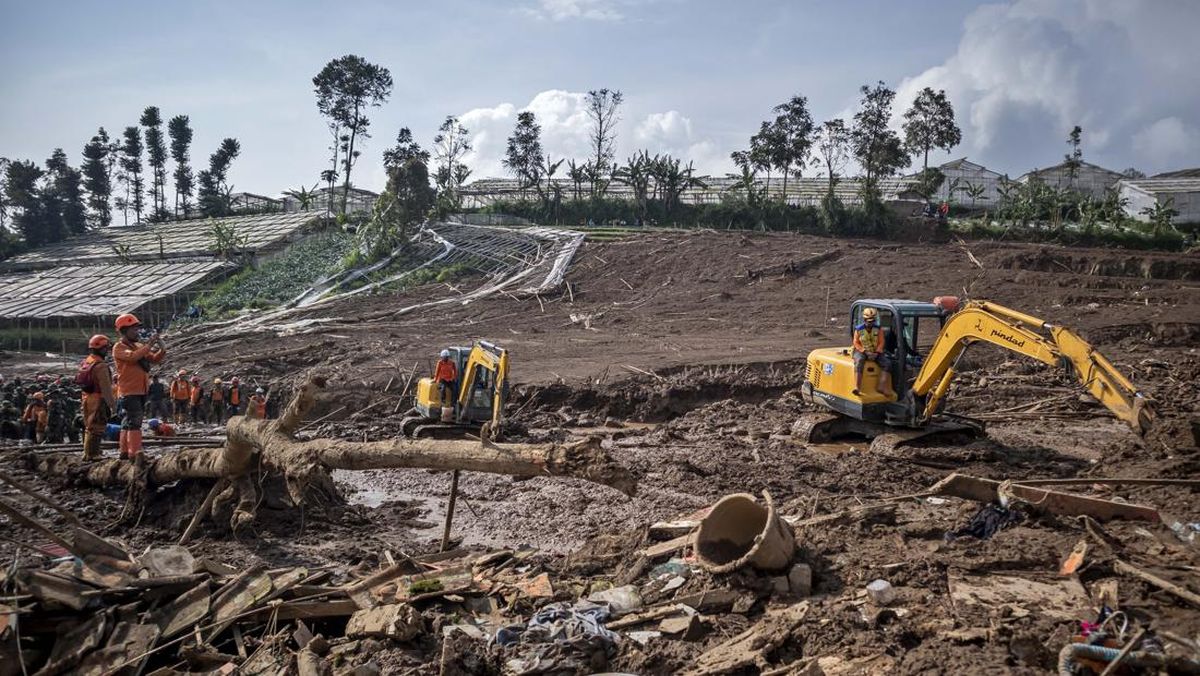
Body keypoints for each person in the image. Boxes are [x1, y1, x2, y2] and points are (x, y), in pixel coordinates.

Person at [112, 313, 166, 460]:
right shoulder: (119, 347)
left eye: (137, 329)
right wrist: (149, 344)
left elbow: (153, 359)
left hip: (141, 390)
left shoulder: (138, 346)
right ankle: (135, 453)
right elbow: (133, 357)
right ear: (124, 331)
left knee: (127, 422)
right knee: (134, 422)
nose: (137, 332)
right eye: (133, 329)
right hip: (129, 391)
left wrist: (162, 348)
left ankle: (124, 451)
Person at [78, 334, 117, 460]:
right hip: (98, 399)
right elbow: (106, 388)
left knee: (89, 427)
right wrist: (112, 405)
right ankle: (93, 454)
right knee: (97, 427)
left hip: (86, 398)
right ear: (102, 349)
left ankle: (87, 453)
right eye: (106, 348)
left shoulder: (87, 361)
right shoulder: (101, 366)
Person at [852, 307, 896, 398]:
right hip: (862, 351)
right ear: (864, 320)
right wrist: (865, 352)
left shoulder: (878, 329)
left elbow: (881, 342)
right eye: (868, 321)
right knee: (859, 361)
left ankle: (881, 386)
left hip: (875, 352)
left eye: (872, 321)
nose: (870, 323)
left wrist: (877, 352)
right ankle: (857, 387)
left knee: (887, 363)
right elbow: (856, 343)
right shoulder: (859, 329)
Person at [434, 349, 458, 420]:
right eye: (444, 357)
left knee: (454, 389)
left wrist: (454, 377)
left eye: (446, 357)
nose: (445, 358)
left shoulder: (451, 363)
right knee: (443, 388)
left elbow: (455, 370)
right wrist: (435, 379)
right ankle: (443, 401)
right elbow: (437, 371)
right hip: (443, 379)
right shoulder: (440, 363)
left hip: (450, 379)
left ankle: (453, 402)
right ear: (442, 357)